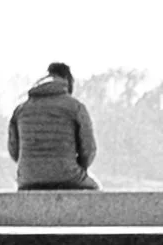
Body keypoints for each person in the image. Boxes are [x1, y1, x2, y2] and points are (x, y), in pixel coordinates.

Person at [7, 62, 98, 190]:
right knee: (95, 189)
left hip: (28, 178)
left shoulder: (21, 110)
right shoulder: (76, 107)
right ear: (67, 80)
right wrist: (79, 168)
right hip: (68, 176)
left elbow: (13, 150)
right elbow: (89, 148)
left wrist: (33, 167)